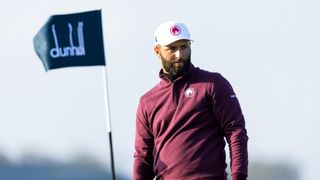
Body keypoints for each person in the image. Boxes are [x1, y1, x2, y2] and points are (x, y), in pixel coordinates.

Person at [133, 21, 248, 180]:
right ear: (157, 51)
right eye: (172, 49)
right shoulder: (147, 101)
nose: (179, 54)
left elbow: (236, 131)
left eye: (184, 47)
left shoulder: (213, 84)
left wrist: (239, 176)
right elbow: (143, 157)